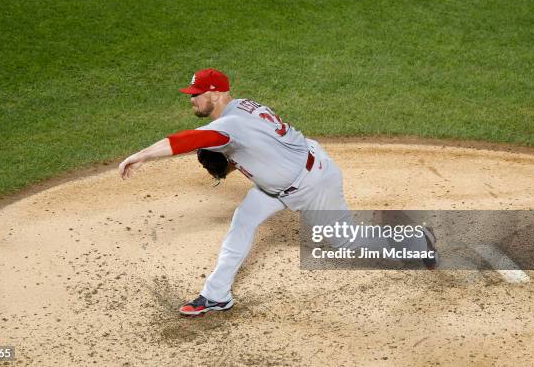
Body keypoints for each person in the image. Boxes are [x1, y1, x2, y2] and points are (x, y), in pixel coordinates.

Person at [118, 68, 437, 316]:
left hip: (313, 184)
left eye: (197, 94)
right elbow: (258, 147)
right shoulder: (243, 107)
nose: (192, 99)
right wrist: (229, 163)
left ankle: (417, 241)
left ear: (216, 94)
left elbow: (184, 140)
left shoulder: (228, 126)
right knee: (243, 220)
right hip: (282, 181)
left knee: (345, 241)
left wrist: (141, 155)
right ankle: (216, 295)